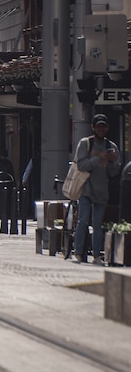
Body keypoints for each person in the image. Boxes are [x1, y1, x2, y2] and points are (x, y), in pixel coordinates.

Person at [73, 114, 121, 265]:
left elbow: (114, 172)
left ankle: (96, 255)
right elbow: (81, 165)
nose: (101, 129)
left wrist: (112, 162)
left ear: (107, 128)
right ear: (92, 127)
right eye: (98, 126)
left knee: (98, 224)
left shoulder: (111, 147)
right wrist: (98, 158)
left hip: (101, 190)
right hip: (86, 188)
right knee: (82, 221)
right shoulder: (85, 143)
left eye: (103, 126)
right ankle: (78, 252)